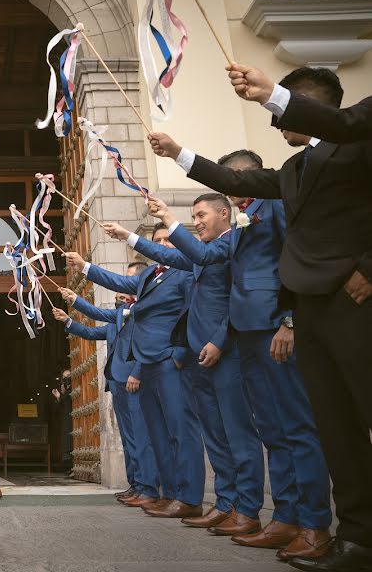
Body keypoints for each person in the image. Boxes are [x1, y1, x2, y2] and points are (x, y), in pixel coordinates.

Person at [148, 66, 372, 572]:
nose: (274, 123)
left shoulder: (359, 140)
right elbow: (229, 188)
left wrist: (364, 268)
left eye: (284, 109)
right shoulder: (293, 172)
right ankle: (348, 535)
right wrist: (178, 152)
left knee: (317, 425)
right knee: (330, 429)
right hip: (302, 312)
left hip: (341, 305)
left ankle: (315, 521)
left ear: (311, 102)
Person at [146, 153, 332, 560]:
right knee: (272, 431)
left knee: (297, 429)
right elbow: (208, 257)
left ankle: (315, 522)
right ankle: (285, 516)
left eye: (234, 179)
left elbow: (292, 262)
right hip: (248, 334)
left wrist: (290, 321)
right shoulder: (246, 220)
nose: (232, 188)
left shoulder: (276, 206)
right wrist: (164, 223)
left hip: (273, 331)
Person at [103, 195, 265, 536]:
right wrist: (127, 236)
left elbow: (235, 298)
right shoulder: (199, 255)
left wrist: (217, 340)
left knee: (236, 433)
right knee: (216, 435)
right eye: (192, 216)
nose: (198, 221)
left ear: (225, 213)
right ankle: (225, 503)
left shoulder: (230, 244)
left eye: (201, 215)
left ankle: (247, 508)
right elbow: (167, 255)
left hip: (222, 352)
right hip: (197, 357)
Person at [66, 226, 205, 519]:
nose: (163, 244)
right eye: (158, 241)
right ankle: (168, 494)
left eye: (168, 239)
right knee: (157, 434)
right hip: (148, 362)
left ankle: (190, 497)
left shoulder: (186, 270)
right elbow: (119, 281)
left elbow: (193, 311)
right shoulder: (148, 275)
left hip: (169, 361)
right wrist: (85, 266)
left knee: (180, 431)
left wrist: (180, 354)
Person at [52, 262, 162, 508]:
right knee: (129, 438)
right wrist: (68, 320)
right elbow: (92, 333)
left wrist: (137, 372)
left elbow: (142, 348)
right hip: (117, 383)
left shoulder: (141, 313)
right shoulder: (120, 317)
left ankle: (149, 487)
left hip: (134, 382)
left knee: (140, 436)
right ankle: (136, 484)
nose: (121, 290)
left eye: (130, 281)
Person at [225, 63, 372, 143]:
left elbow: (347, 125)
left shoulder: (357, 148)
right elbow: (241, 181)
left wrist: (269, 93)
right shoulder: (296, 166)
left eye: (280, 114)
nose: (278, 126)